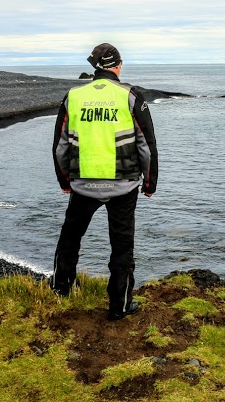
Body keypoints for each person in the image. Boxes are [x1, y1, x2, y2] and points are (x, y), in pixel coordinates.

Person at [51, 43, 158, 320]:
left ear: (95, 67)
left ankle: (60, 290)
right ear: (118, 66)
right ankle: (119, 305)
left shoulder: (73, 96)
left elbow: (60, 145)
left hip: (83, 184)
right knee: (122, 246)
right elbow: (146, 143)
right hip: (123, 186)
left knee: (70, 239)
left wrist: (64, 180)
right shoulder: (130, 95)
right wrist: (150, 183)